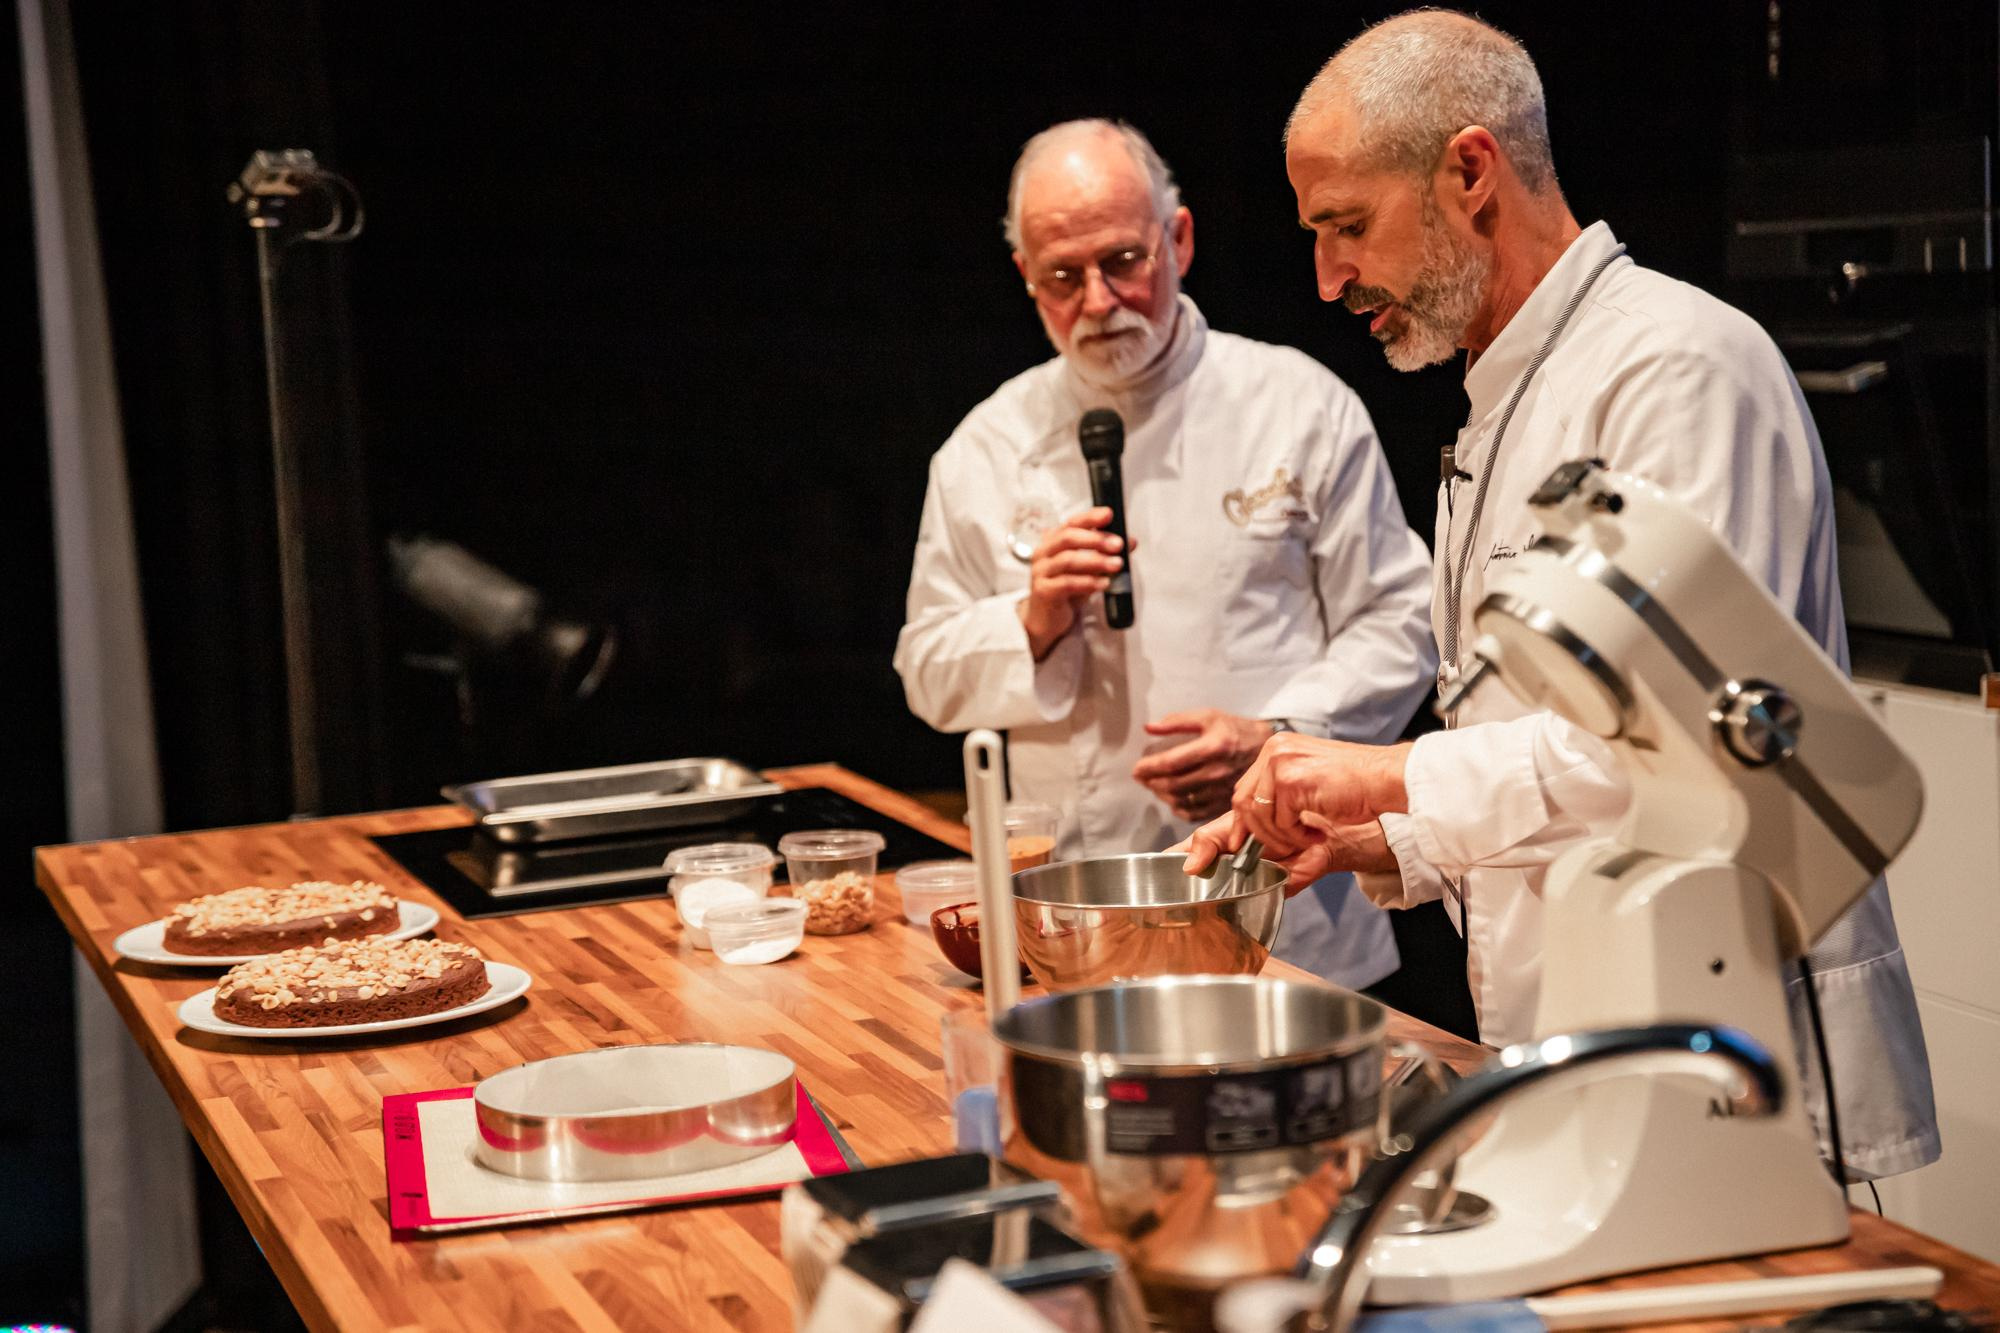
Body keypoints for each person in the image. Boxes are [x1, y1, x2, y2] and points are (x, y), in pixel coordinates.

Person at [1181, 10, 1938, 1179]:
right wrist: (1381, 831)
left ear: (1468, 172)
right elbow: (1539, 756)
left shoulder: (1673, 369)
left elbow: (1683, 749)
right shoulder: (1500, 399)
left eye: (1346, 227)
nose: (1328, 279)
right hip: (1582, 1039)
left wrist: (1385, 770)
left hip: (1734, 1062)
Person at [893, 119, 1436, 990]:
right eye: (1064, 278)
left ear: (1177, 239)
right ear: (1026, 279)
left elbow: (1406, 617)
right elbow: (925, 669)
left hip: (1284, 916)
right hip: (1077, 921)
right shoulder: (983, 448)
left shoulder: (1298, 404)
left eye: (1123, 262)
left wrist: (1278, 736)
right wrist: (1028, 622)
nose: (1100, 302)